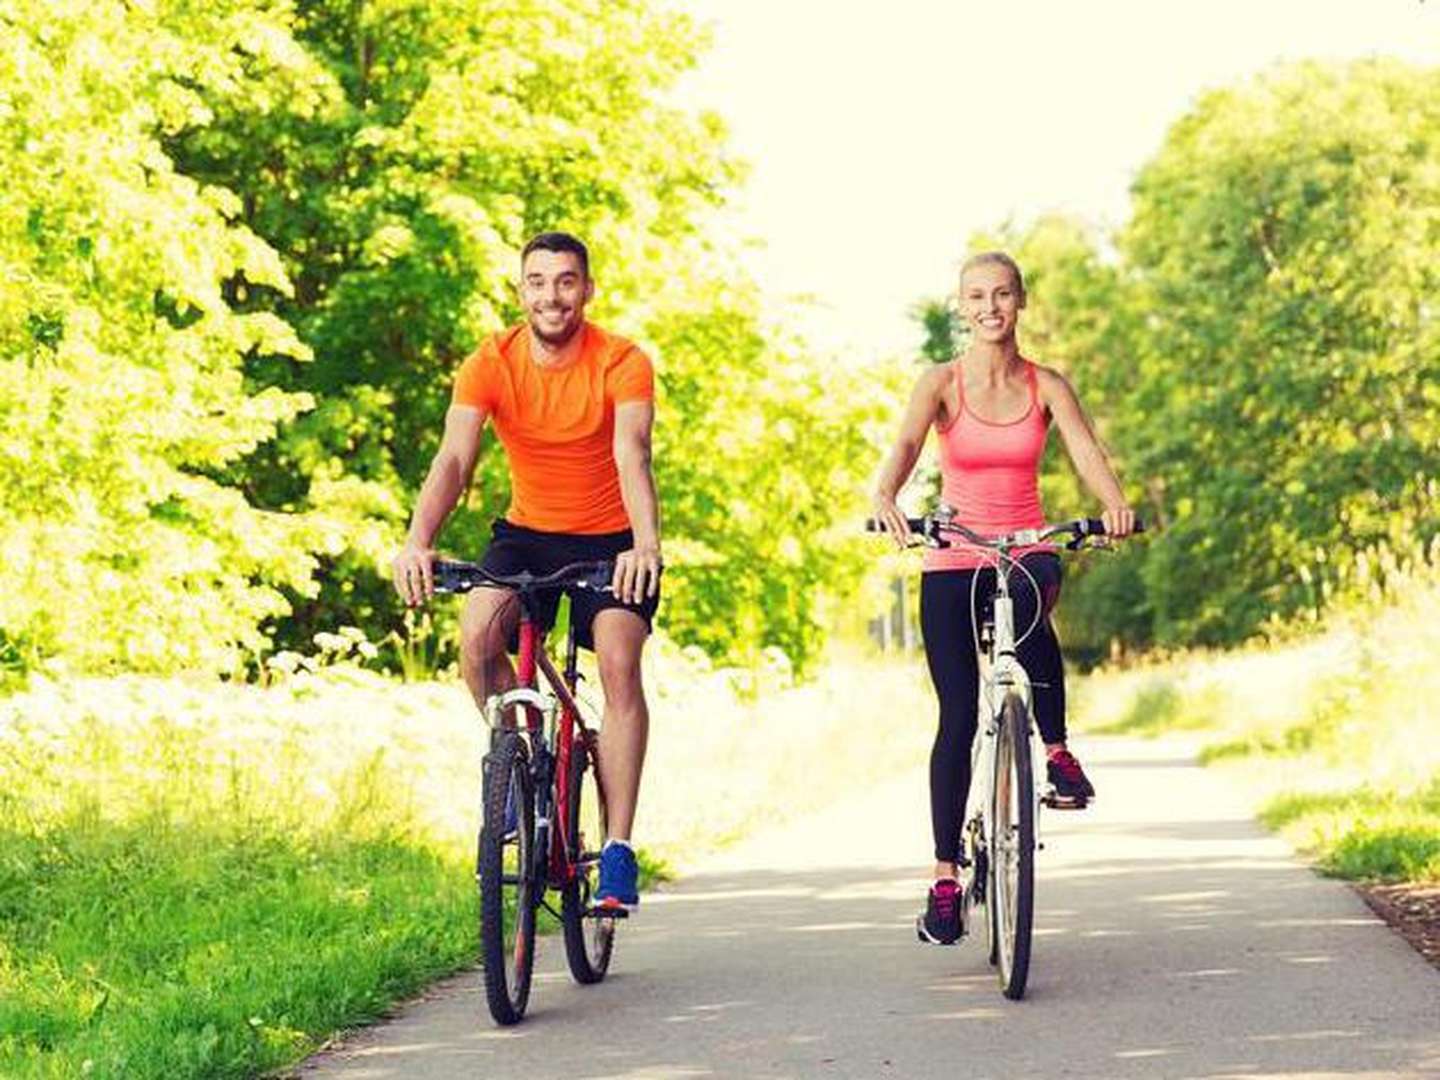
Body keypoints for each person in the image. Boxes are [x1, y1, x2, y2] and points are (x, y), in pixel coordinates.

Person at [391, 231, 662, 913]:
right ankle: (521, 765)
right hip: (526, 535)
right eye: (537, 282)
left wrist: (646, 546)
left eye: (566, 281)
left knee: (620, 663)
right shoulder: (491, 361)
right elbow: (455, 459)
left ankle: (621, 850)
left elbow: (633, 453)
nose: (552, 295)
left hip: (611, 539)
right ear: (521, 292)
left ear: (587, 290)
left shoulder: (623, 361)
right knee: (477, 641)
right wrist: (417, 540)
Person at [871, 251, 1135, 946]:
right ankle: (945, 880)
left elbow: (1085, 450)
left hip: (1027, 544)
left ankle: (1055, 751)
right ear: (962, 306)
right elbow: (903, 445)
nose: (990, 307)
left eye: (1002, 295)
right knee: (957, 714)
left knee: (1032, 597)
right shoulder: (941, 385)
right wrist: (884, 496)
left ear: (1021, 301)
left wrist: (1114, 506)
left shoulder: (1047, 385)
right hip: (954, 552)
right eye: (977, 296)